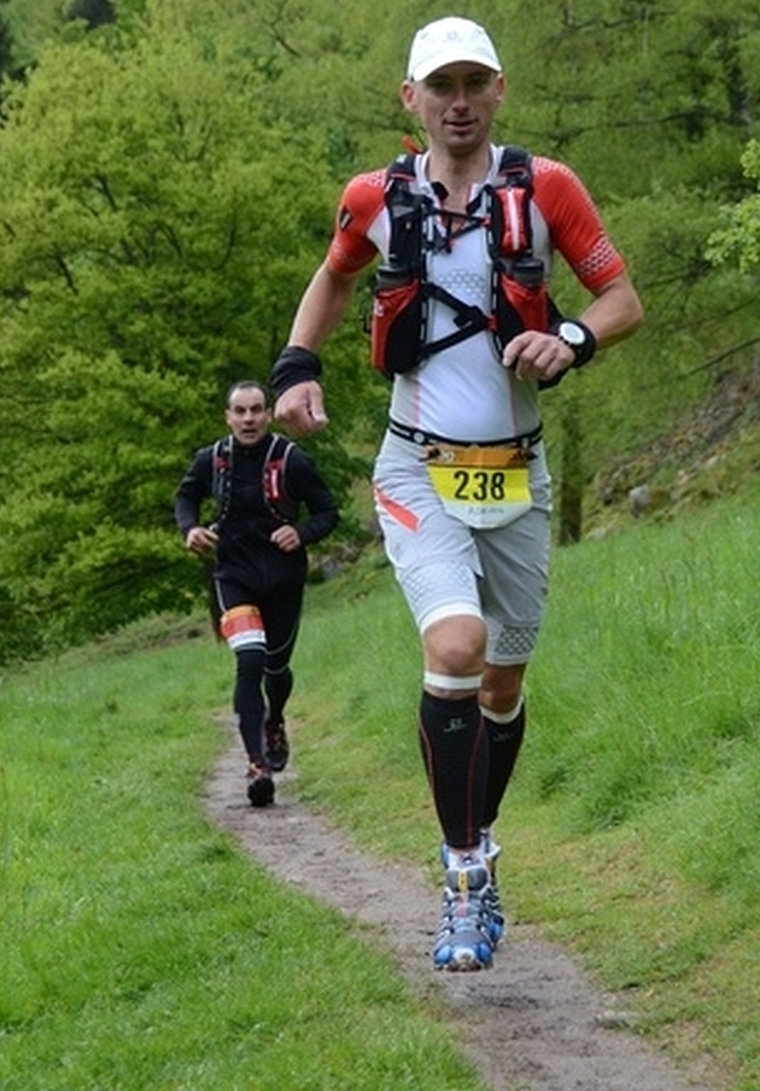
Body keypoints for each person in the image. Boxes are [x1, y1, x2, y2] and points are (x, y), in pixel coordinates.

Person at [270, 16, 643, 970]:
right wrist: (296, 369)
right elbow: (332, 281)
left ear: (499, 88)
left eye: (475, 82)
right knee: (458, 646)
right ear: (412, 100)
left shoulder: (547, 185)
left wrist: (575, 339)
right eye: (442, 86)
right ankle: (465, 874)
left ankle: (474, 835)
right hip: (416, 467)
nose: (460, 101)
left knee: (505, 685)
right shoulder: (375, 198)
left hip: (518, 468)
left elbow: (620, 299)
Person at [174, 380, 339, 807]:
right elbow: (186, 497)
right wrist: (190, 529)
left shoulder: (290, 459)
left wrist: (300, 532)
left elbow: (328, 511)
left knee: (275, 669)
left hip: (283, 580)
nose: (249, 419)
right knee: (249, 662)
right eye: (240, 411)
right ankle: (256, 764)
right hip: (233, 577)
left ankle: (275, 719)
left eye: (256, 410)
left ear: (268, 414)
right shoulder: (211, 459)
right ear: (228, 417)